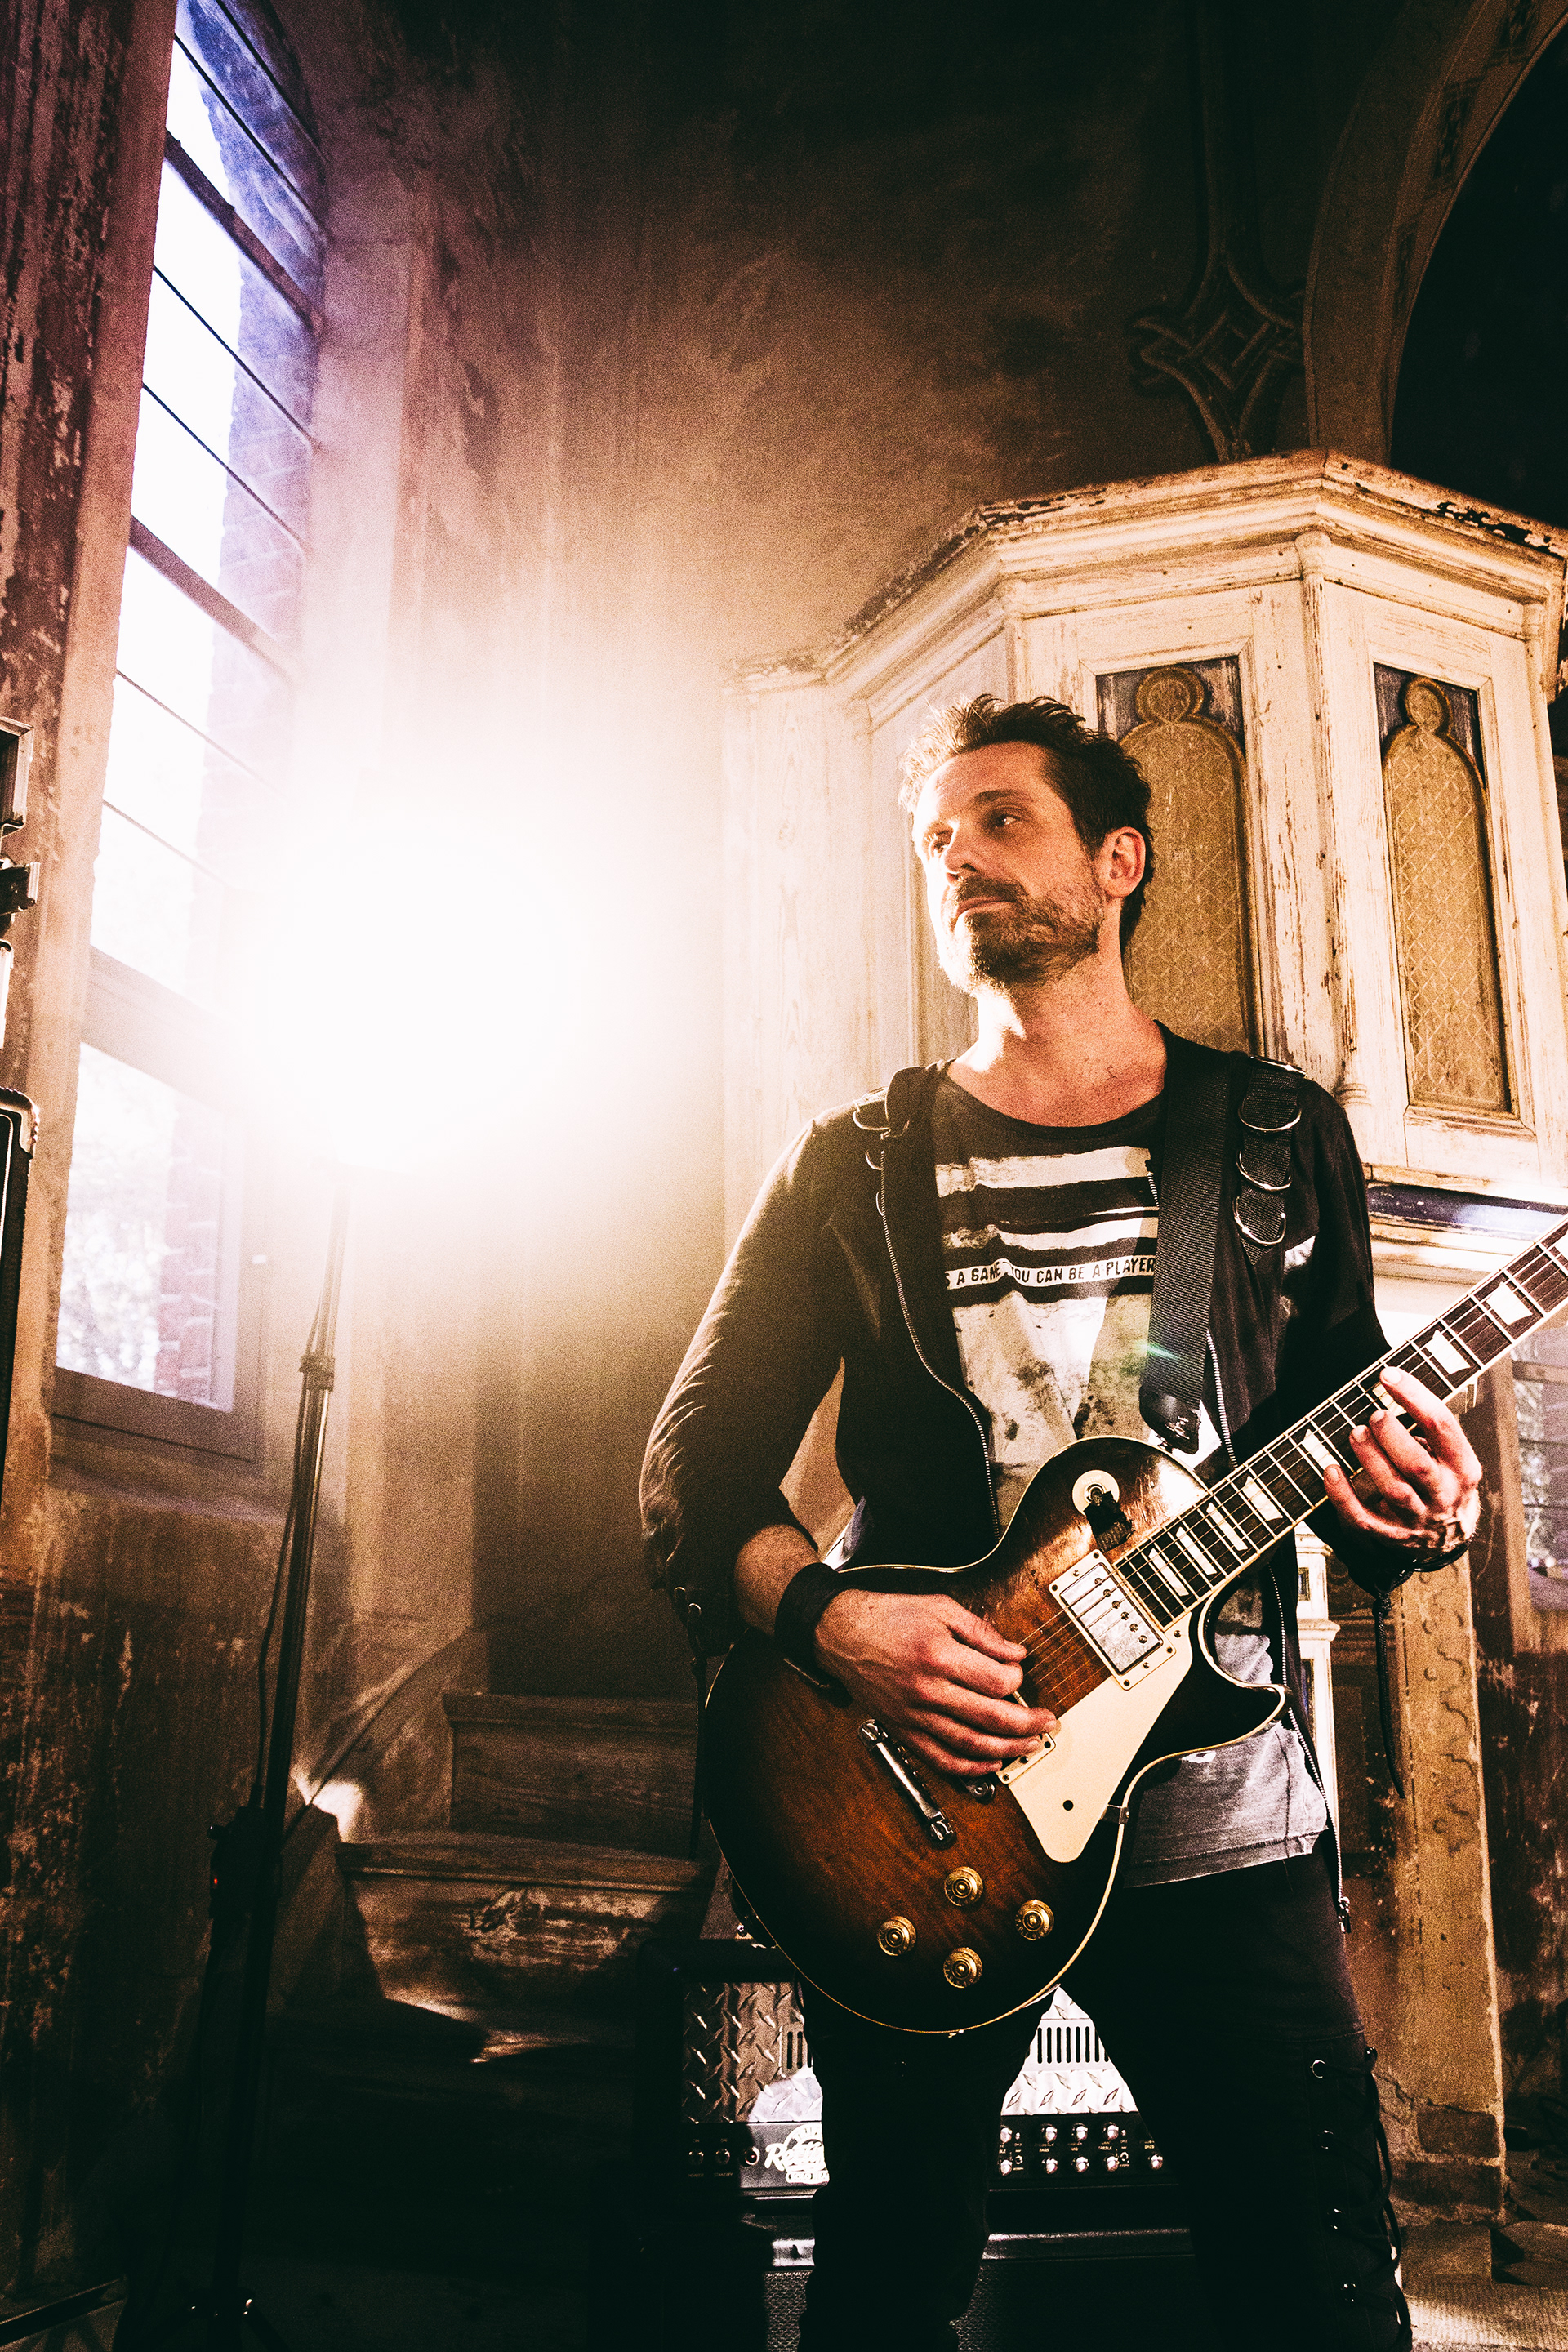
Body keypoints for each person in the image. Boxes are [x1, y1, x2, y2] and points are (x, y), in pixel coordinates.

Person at [641, 696, 1482, 2352]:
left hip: (1220, 1821)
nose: (958, 854)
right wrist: (833, 1623)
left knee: (1317, 2293)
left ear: (1118, 863)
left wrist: (1421, 1514)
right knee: (885, 2289)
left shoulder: (1273, 1132)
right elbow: (692, 1471)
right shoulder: (852, 1166)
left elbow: (1350, 1452)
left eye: (1001, 818)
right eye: (935, 838)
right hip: (918, 1807)